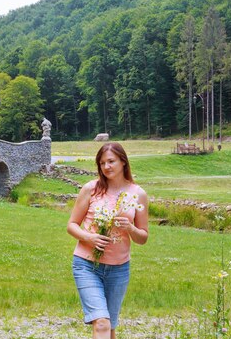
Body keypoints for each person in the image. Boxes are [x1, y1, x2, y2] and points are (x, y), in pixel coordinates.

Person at [67, 142, 149, 339]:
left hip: (119, 269)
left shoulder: (138, 194)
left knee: (110, 328)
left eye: (111, 161)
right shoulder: (91, 189)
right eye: (102, 163)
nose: (106, 167)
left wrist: (130, 228)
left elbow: (143, 237)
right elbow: (71, 225)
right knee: (102, 323)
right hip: (87, 265)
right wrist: (90, 238)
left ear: (123, 161)